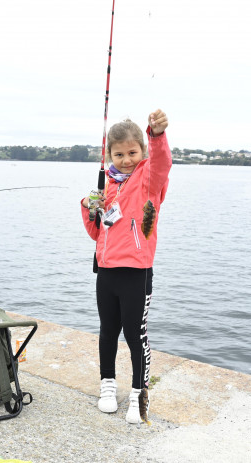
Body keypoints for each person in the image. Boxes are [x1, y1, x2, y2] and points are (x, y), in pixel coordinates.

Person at [80, 109, 171, 424]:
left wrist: (156, 135)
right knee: (108, 331)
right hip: (106, 272)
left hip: (137, 272)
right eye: (118, 154)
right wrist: (89, 210)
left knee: (136, 334)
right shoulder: (108, 187)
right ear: (110, 155)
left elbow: (162, 164)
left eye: (133, 152)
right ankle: (107, 386)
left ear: (142, 152)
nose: (126, 159)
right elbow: (96, 233)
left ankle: (138, 394)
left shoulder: (149, 181)